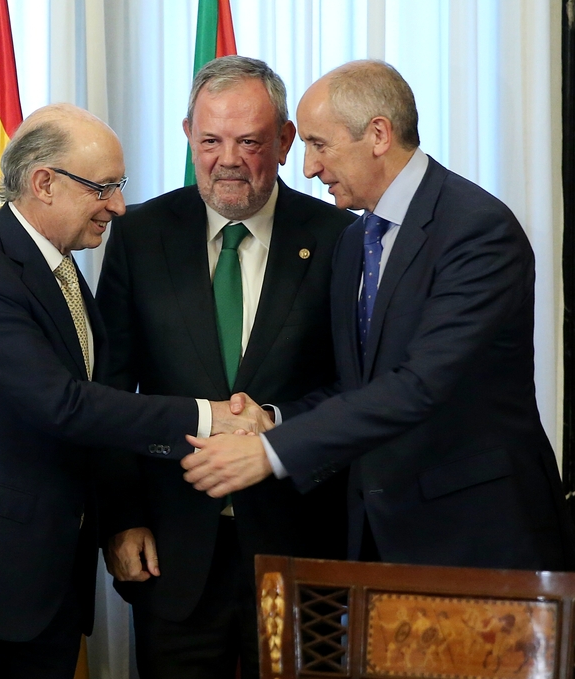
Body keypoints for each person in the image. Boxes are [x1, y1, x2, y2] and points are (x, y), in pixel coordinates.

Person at [0, 103, 267, 679]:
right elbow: (64, 404)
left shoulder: (60, 266)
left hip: (41, 583)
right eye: (103, 188)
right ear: (43, 183)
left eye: (119, 186)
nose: (119, 206)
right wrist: (212, 419)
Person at [183, 59, 575, 571]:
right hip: (379, 535)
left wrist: (273, 451)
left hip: (476, 536)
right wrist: (273, 420)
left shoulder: (476, 231)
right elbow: (360, 385)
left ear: (378, 135)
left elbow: (421, 385)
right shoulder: (356, 238)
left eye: (319, 145)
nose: (307, 168)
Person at [95, 56, 354, 679]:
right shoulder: (140, 235)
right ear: (188, 133)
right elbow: (108, 388)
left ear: (286, 140)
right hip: (172, 550)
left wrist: (277, 422)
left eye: (249, 141)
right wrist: (121, 518)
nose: (228, 159)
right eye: (210, 141)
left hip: (301, 546)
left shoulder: (340, 237)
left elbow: (359, 386)